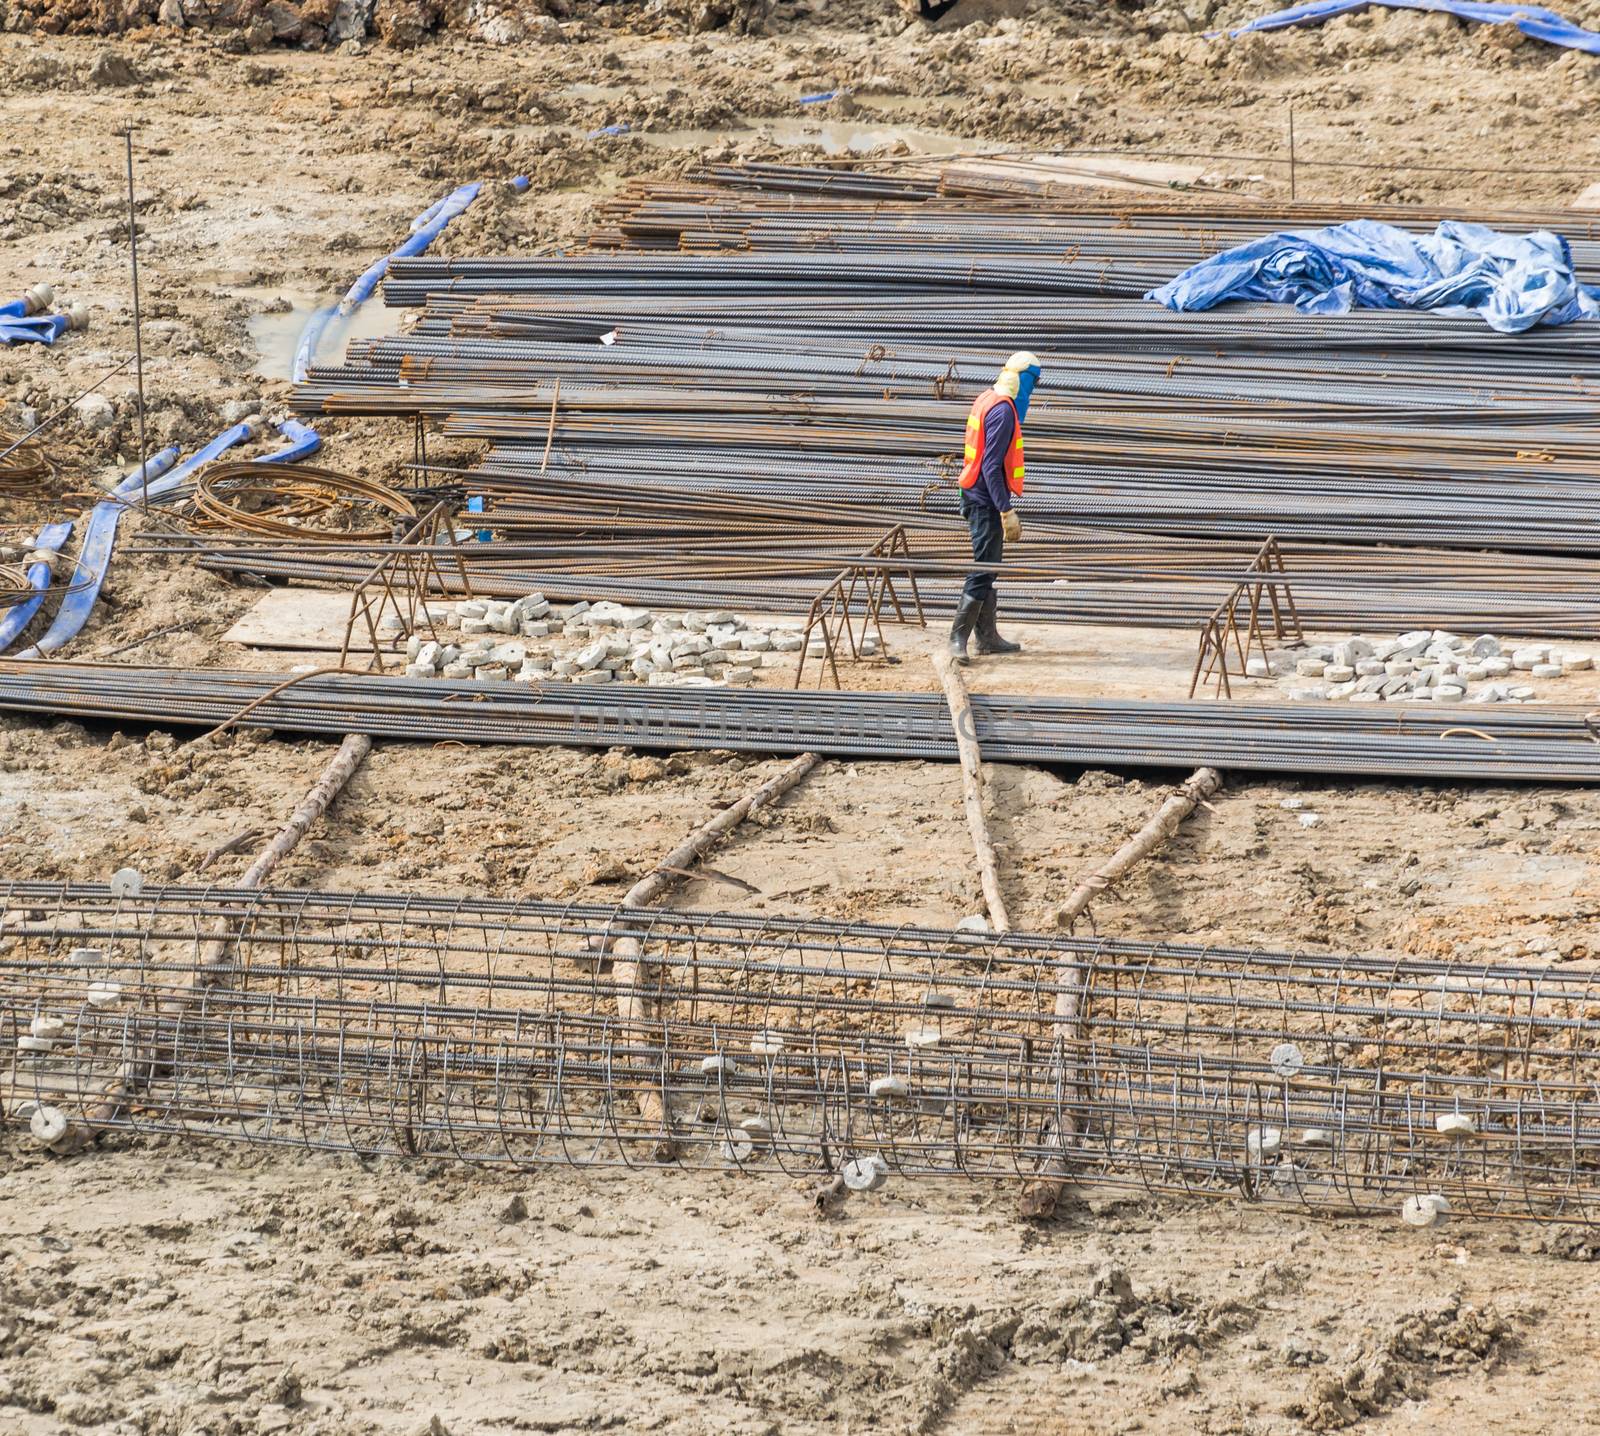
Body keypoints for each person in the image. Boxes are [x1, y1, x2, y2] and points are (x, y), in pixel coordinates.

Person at [949, 351, 1041, 665]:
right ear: (1025, 381)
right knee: (984, 566)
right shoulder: (1003, 412)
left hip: (975, 492)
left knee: (990, 565)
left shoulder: (987, 398)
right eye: (1035, 383)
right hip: (984, 499)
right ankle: (957, 639)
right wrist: (1005, 510)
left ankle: (987, 637)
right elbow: (991, 466)